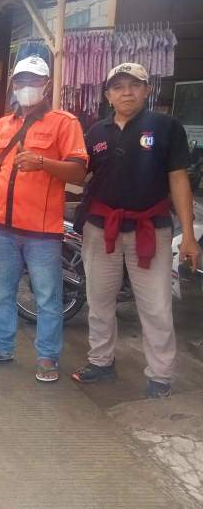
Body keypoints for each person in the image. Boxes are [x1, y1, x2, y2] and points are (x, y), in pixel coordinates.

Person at [72, 63, 201, 398]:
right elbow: (79, 176)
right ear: (107, 95)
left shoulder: (166, 126)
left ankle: (160, 376)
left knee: (156, 306)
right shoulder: (96, 132)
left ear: (147, 90)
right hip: (101, 231)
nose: (126, 92)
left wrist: (188, 235)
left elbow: (177, 180)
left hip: (150, 229)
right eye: (118, 87)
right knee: (98, 301)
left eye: (134, 85)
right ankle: (100, 362)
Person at [0, 56, 88, 382]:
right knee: (1, 292)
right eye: (21, 81)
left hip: (42, 232)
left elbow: (79, 170)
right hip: (3, 228)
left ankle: (48, 357)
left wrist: (42, 162)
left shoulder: (65, 123)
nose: (26, 88)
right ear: (13, 85)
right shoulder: (3, 125)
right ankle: (1, 346)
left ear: (46, 85)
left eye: (34, 81)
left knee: (48, 297)